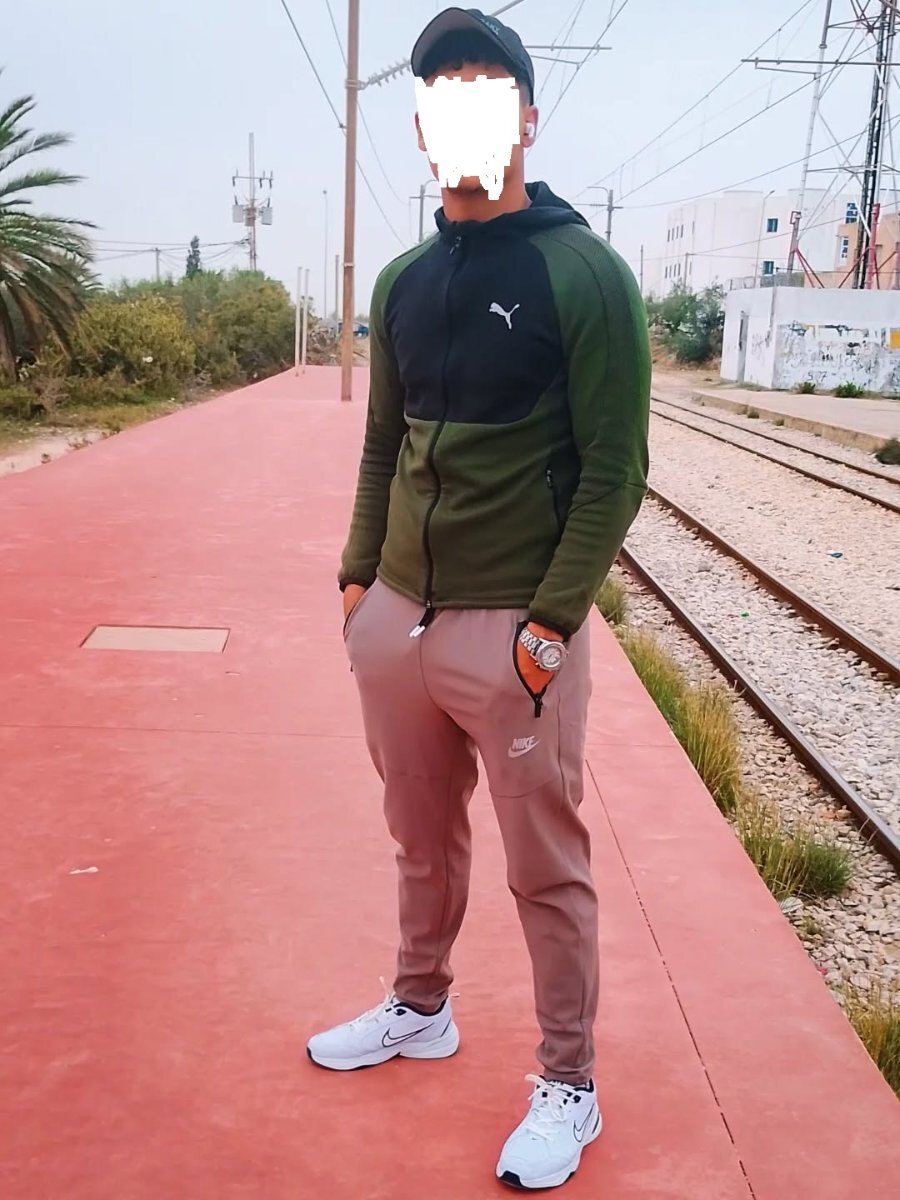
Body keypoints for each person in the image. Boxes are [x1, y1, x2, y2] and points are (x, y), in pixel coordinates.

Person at [308, 6, 650, 1191]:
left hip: (513, 629)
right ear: (420, 127)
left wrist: (549, 627)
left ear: (525, 120)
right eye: (441, 97)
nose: (461, 117)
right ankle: (420, 1008)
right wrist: (357, 582)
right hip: (395, 619)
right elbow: (382, 446)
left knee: (544, 865)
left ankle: (570, 1084)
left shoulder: (585, 274)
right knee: (419, 838)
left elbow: (615, 471)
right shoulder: (404, 281)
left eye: (485, 94)